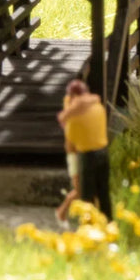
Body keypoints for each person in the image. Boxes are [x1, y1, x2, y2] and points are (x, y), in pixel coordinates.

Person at [57, 79, 111, 219]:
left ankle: (88, 228)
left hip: (87, 156)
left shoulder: (74, 118)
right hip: (103, 153)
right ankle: (109, 223)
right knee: (103, 194)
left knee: (86, 197)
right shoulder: (99, 107)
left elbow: (71, 143)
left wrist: (67, 113)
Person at [54, 81, 83, 224]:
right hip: (77, 159)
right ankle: (62, 212)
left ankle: (67, 213)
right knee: (79, 190)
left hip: (79, 157)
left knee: (84, 189)